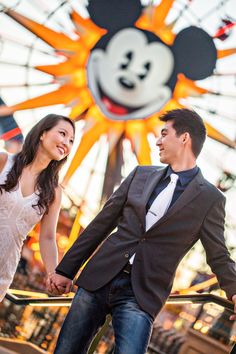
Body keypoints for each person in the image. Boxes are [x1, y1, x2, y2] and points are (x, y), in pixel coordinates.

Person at [48, 108, 236, 354]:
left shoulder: (210, 199)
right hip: (98, 278)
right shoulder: (140, 174)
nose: (157, 141)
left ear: (184, 138)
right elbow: (101, 224)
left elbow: (218, 255)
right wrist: (65, 270)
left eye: (164, 134)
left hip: (141, 295)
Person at [0, 114, 75, 301]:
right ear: (42, 133)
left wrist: (52, 274)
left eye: (72, 140)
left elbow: (48, 237)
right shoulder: (3, 162)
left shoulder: (54, 192)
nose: (67, 142)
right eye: (63, 134)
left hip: (3, 269)